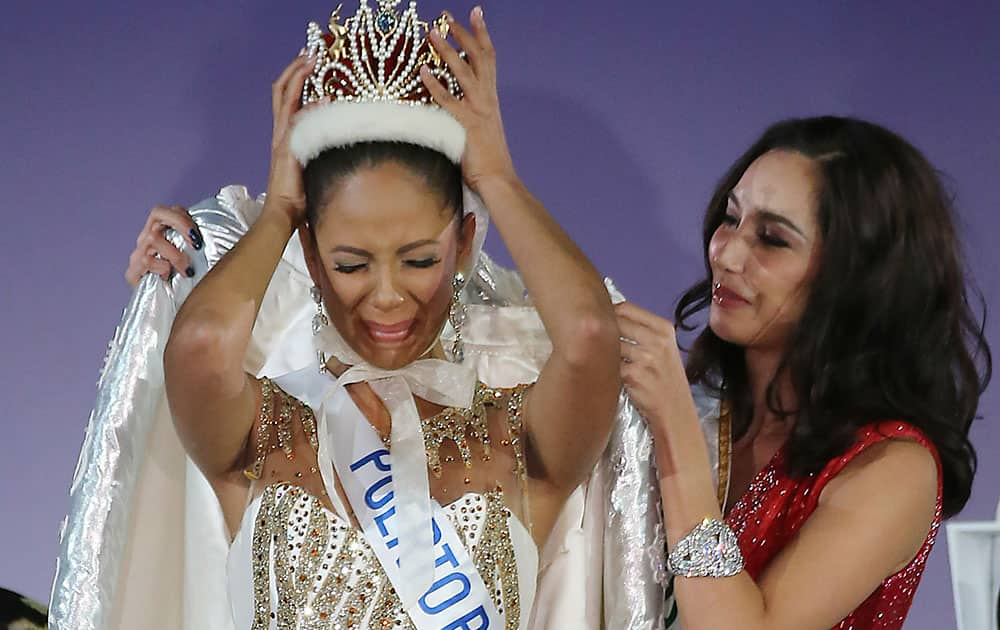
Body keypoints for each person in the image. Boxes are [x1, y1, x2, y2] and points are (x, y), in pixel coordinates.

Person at [49, 3, 632, 629]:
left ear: (463, 244)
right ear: (311, 254)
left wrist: (496, 176)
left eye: (417, 259)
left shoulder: (512, 443)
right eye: (353, 264)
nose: (386, 296)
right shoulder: (265, 433)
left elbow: (591, 337)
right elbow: (200, 347)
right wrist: (278, 209)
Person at [617, 116, 992, 629]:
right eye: (731, 219)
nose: (726, 254)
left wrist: (675, 431)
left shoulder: (893, 467)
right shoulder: (715, 412)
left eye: (771, 238)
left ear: (856, 278)